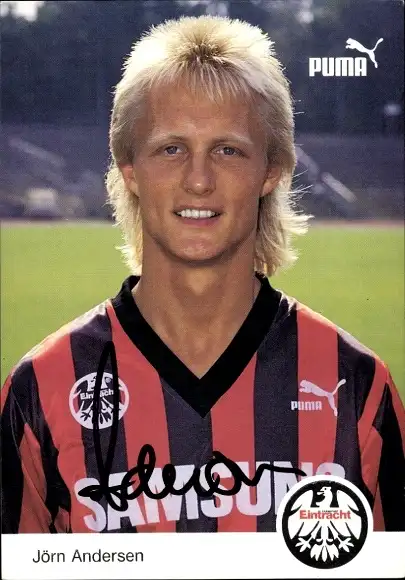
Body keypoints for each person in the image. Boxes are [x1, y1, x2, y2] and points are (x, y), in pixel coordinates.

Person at [1, 14, 404, 534]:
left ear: (270, 171)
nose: (198, 180)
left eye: (227, 150)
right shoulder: (42, 388)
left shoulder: (356, 387)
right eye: (171, 149)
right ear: (130, 170)